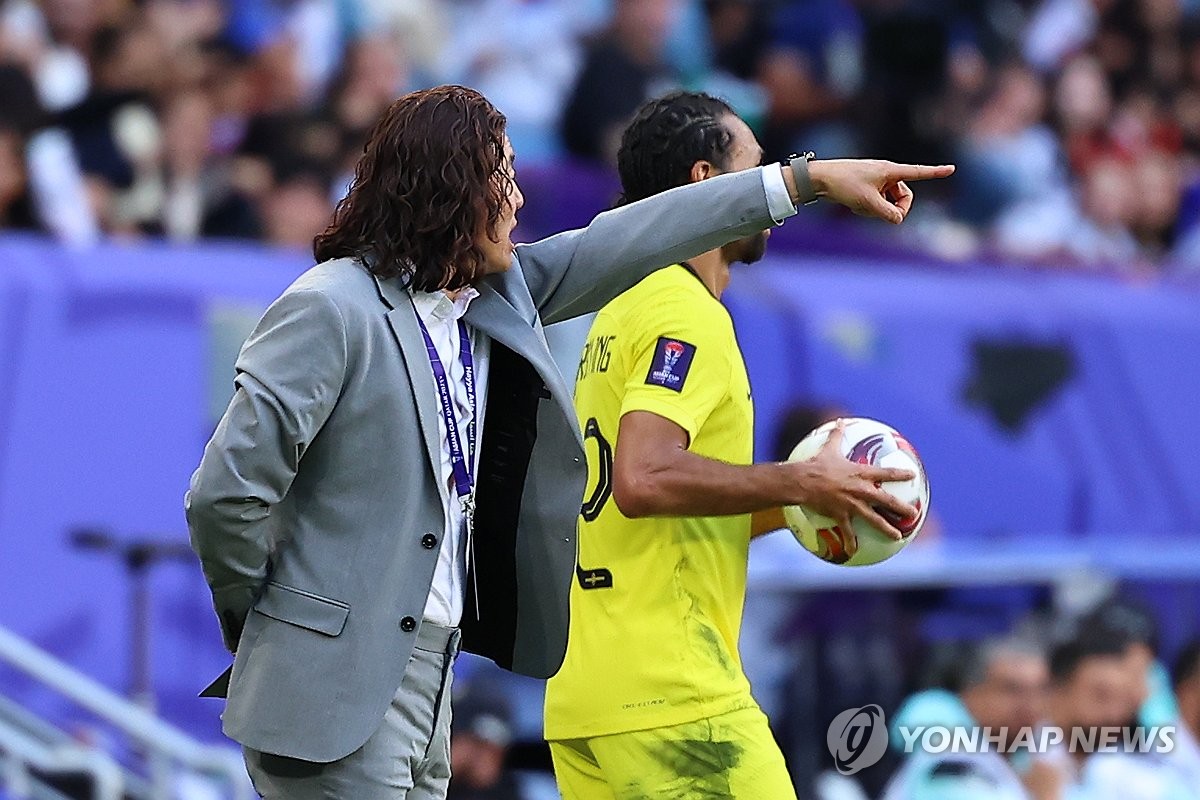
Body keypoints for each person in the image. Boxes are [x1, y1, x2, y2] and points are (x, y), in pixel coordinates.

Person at [186, 83, 953, 799]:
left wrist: (806, 183)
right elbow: (225, 493)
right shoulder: (331, 307)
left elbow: (636, 232)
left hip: (432, 678)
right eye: (503, 179)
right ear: (451, 189)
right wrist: (278, 625)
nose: (519, 201)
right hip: (342, 683)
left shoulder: (487, 299)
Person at [543, 91, 948, 799]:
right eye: (755, 168)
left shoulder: (621, 306)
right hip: (674, 700)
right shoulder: (682, 310)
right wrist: (798, 484)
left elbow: (654, 502)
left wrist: (818, 504)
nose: (770, 205)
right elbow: (642, 478)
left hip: (589, 699)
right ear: (707, 181)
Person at [881, 637, 1049, 800]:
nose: (1030, 705)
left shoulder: (1027, 762)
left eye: (1040, 691)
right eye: (1011, 690)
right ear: (971, 694)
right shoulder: (948, 756)